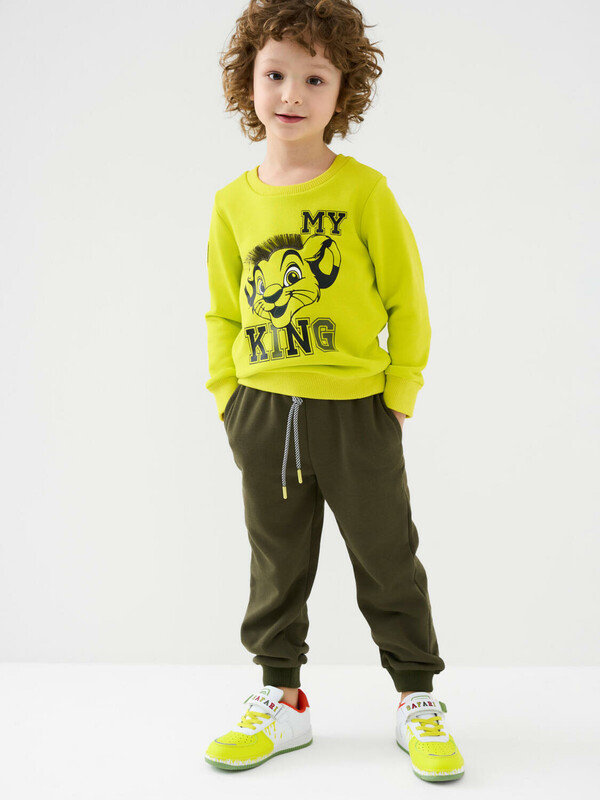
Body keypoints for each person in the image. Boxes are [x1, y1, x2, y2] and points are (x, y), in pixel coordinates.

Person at [203, 0, 464, 782]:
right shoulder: (233, 203)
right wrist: (228, 396)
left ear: (344, 90)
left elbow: (407, 301)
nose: (291, 93)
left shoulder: (364, 192)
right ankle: (281, 700)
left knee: (387, 558)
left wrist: (400, 391)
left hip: (358, 412)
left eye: (315, 78)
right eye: (275, 73)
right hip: (262, 411)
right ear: (247, 80)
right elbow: (222, 309)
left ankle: (417, 699)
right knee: (276, 563)